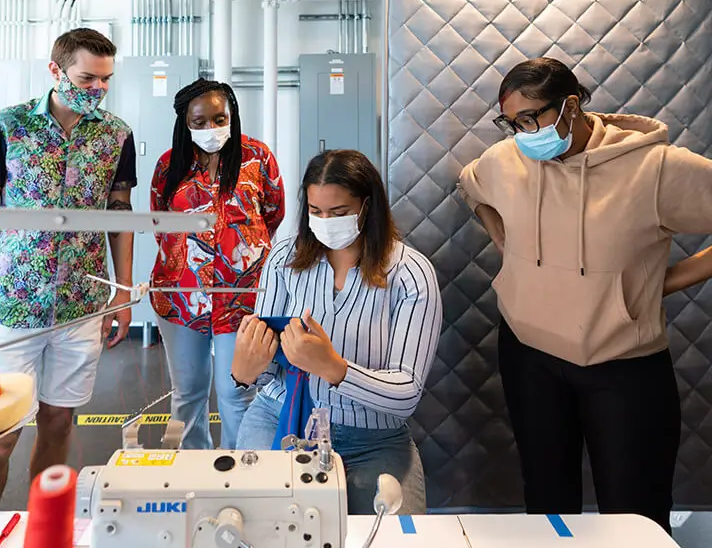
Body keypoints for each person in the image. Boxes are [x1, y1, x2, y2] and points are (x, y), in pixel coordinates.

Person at [458, 56, 712, 533]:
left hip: (622, 365)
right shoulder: (506, 160)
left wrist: (661, 282)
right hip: (528, 356)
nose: (521, 134)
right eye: (511, 123)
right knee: (547, 500)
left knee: (634, 510)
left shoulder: (655, 168)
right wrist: (502, 238)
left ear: (570, 106)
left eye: (529, 119)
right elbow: (470, 185)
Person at [0, 28, 136, 525]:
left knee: (58, 423)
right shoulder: (5, 126)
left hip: (82, 303)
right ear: (55, 71)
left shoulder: (116, 135)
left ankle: (43, 530)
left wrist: (122, 295)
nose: (98, 89)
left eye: (106, 79)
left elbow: (121, 220)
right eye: (87, 78)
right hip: (12, 303)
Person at [232, 149, 442, 515]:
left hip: (372, 441)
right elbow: (263, 371)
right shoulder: (283, 260)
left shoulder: (410, 274)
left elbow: (406, 395)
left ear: (367, 207)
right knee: (257, 524)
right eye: (316, 212)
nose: (326, 222)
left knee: (391, 534)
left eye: (339, 212)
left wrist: (334, 368)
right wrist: (244, 370)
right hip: (279, 420)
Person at [150, 78, 285, 450]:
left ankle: (240, 471)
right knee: (187, 393)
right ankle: (195, 471)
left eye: (219, 119)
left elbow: (273, 213)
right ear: (185, 123)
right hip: (179, 298)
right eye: (200, 122)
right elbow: (160, 223)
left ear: (231, 116)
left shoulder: (257, 157)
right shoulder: (169, 166)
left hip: (241, 298)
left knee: (236, 392)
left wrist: (238, 251)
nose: (211, 128)